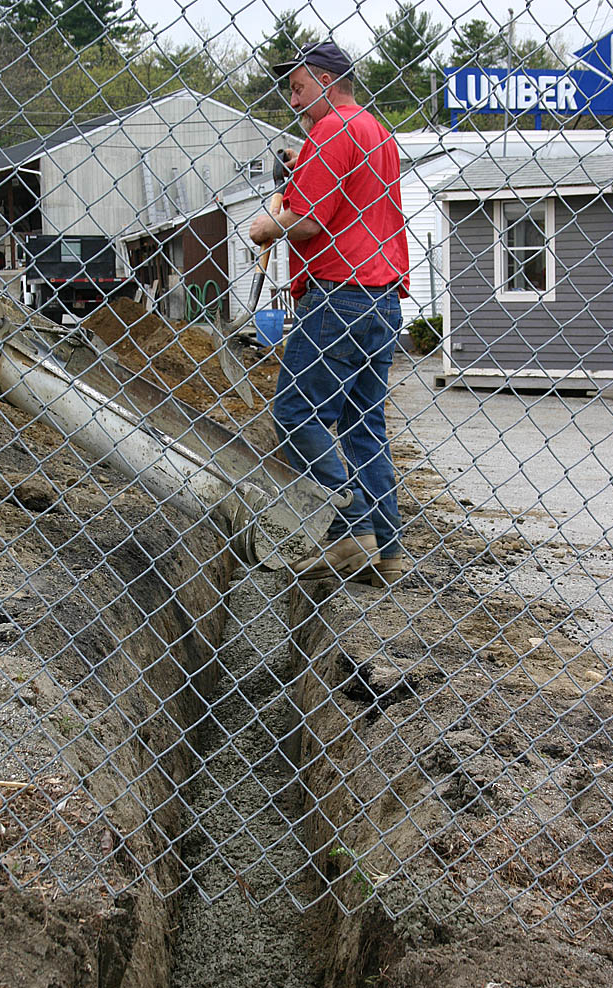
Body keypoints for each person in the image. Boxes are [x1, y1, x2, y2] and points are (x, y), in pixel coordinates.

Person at [249, 40, 410, 586]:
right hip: (383, 296)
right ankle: (387, 551)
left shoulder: (330, 130)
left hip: (338, 293)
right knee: (365, 426)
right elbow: (349, 194)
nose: (292, 100)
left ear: (325, 80)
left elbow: (308, 221)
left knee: (296, 415)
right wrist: (305, 167)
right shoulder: (374, 131)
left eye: (297, 87)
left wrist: (264, 227)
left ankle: (351, 531)